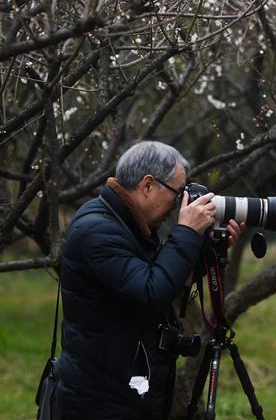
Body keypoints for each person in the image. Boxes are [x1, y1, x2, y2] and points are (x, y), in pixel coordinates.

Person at [56, 141, 243, 419]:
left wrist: (206, 252)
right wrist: (186, 233)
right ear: (147, 186)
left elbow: (164, 281)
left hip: (126, 393)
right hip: (101, 404)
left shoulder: (128, 225)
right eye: (178, 192)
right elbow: (150, 292)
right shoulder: (97, 231)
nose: (181, 202)